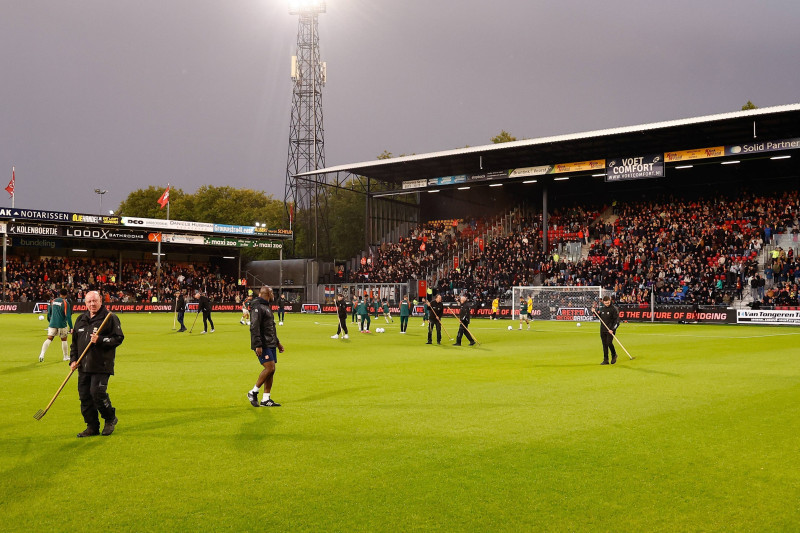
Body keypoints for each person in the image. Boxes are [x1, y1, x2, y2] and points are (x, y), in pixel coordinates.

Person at [70, 291, 124, 437]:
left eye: (95, 301)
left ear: (100, 300)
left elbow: (118, 338)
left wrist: (100, 340)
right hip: (83, 365)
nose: (92, 304)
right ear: (85, 303)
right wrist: (73, 360)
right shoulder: (80, 319)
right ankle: (92, 427)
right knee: (85, 397)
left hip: (101, 364)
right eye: (89, 301)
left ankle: (110, 418)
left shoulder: (109, 318)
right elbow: (74, 343)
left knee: (97, 393)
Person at [247, 286, 285, 407]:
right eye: (272, 292)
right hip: (263, 344)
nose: (273, 295)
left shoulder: (266, 307)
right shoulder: (257, 307)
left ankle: (266, 399)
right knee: (270, 368)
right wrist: (258, 345)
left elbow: (271, 327)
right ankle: (253, 392)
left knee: (271, 371)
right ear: (267, 293)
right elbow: (254, 326)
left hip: (271, 343)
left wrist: (277, 343)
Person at [39, 288, 73, 362]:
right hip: (62, 324)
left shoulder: (53, 301)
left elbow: (49, 314)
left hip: (52, 323)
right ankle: (65, 357)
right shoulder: (65, 303)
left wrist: (50, 321)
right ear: (66, 295)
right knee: (64, 339)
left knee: (49, 338)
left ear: (59, 294)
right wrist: (71, 327)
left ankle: (42, 354)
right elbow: (68, 316)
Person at [594, 295, 620, 365]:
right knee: (604, 344)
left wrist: (612, 329)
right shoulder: (602, 309)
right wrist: (594, 312)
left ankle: (614, 355)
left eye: (608, 303)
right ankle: (606, 360)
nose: (607, 304)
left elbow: (617, 321)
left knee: (609, 343)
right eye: (605, 303)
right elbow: (599, 317)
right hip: (603, 329)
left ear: (610, 301)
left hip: (610, 330)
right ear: (603, 302)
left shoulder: (614, 309)